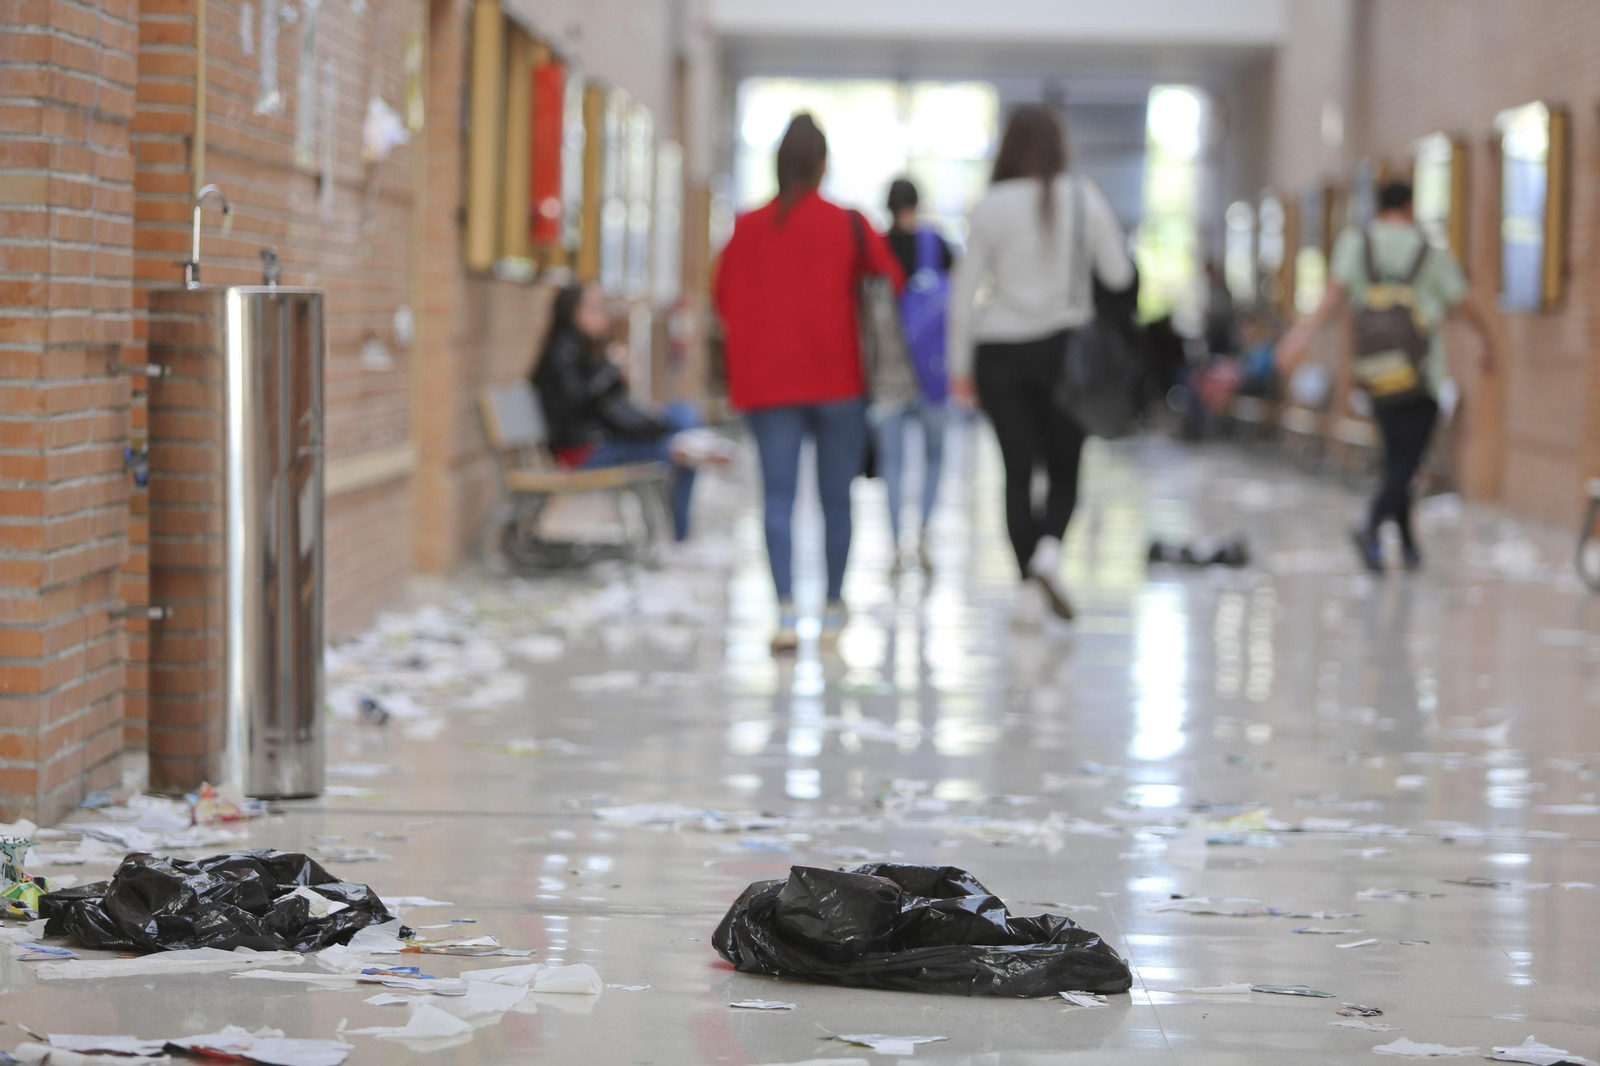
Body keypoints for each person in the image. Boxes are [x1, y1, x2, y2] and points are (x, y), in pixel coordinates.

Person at [714, 114, 904, 653]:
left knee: (776, 498)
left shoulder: (747, 228)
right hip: (839, 380)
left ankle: (784, 612)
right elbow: (891, 284)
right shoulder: (849, 223)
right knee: (835, 499)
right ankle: (834, 609)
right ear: (823, 166)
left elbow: (723, 300)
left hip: (768, 385)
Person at [947, 104, 1134, 625]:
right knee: (1065, 471)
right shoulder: (1082, 196)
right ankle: (1048, 554)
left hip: (998, 353)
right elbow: (1118, 275)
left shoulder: (991, 205)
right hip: (1065, 353)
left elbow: (964, 299)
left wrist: (958, 370)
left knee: (1015, 472)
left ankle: (1028, 589)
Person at [1277, 179, 1495, 571]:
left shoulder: (1355, 245)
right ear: (1410, 207)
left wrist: (1296, 339)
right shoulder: (1430, 250)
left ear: (1377, 207)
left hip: (1375, 375)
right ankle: (1371, 524)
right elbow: (1464, 304)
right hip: (1421, 376)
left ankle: (1409, 546)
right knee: (1407, 461)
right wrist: (1488, 341)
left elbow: (1331, 300)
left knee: (1397, 456)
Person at [531, 282, 730, 543]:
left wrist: (615, 376)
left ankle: (690, 444)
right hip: (580, 451)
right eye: (595, 307)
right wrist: (610, 371)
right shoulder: (563, 350)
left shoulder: (584, 345)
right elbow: (579, 404)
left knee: (684, 412)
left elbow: (605, 404)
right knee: (681, 451)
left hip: (597, 440)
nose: (603, 313)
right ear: (573, 311)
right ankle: (682, 527)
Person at [877, 177, 954, 572]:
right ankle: (921, 531)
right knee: (934, 456)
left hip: (888, 373)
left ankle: (894, 543)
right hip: (933, 372)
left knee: (893, 462)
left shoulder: (876, 247)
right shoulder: (936, 245)